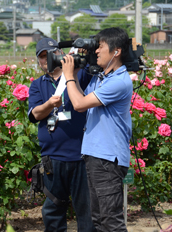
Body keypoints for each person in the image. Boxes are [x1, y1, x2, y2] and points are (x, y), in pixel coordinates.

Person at [61, 27, 132, 231]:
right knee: (99, 220)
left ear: (116, 51)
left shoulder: (119, 81)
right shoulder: (101, 78)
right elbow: (82, 97)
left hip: (108, 159)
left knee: (111, 220)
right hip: (95, 156)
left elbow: (79, 104)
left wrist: (68, 76)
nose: (97, 52)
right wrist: (73, 72)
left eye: (100, 47)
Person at [28, 38, 95, 232]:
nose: (48, 59)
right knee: (53, 210)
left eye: (53, 53)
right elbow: (35, 114)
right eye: (43, 56)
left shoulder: (79, 74)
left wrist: (81, 55)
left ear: (61, 54)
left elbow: (94, 67)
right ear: (38, 61)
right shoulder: (37, 84)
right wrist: (50, 104)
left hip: (81, 156)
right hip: (53, 158)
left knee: (86, 210)